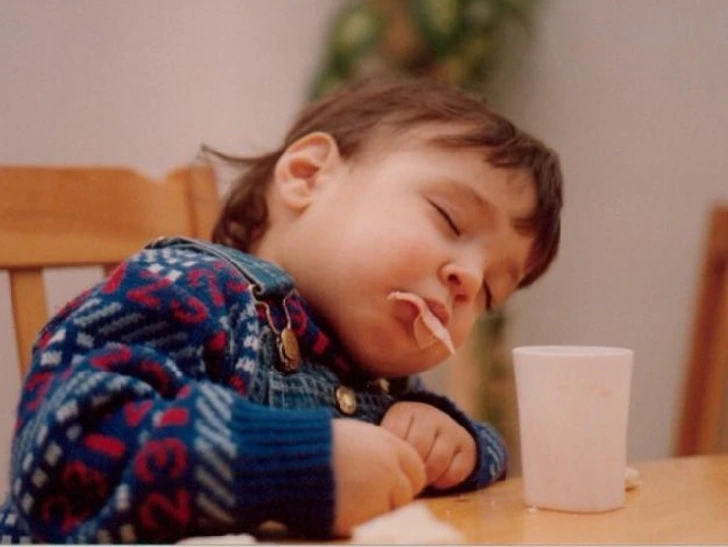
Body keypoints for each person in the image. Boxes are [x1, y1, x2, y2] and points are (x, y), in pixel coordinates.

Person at [0, 76, 563, 543]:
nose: (469, 280)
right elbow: (62, 451)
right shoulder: (187, 290)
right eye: (448, 218)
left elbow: (487, 454)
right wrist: (290, 462)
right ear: (308, 175)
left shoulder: (380, 381)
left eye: (490, 293)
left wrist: (456, 445)